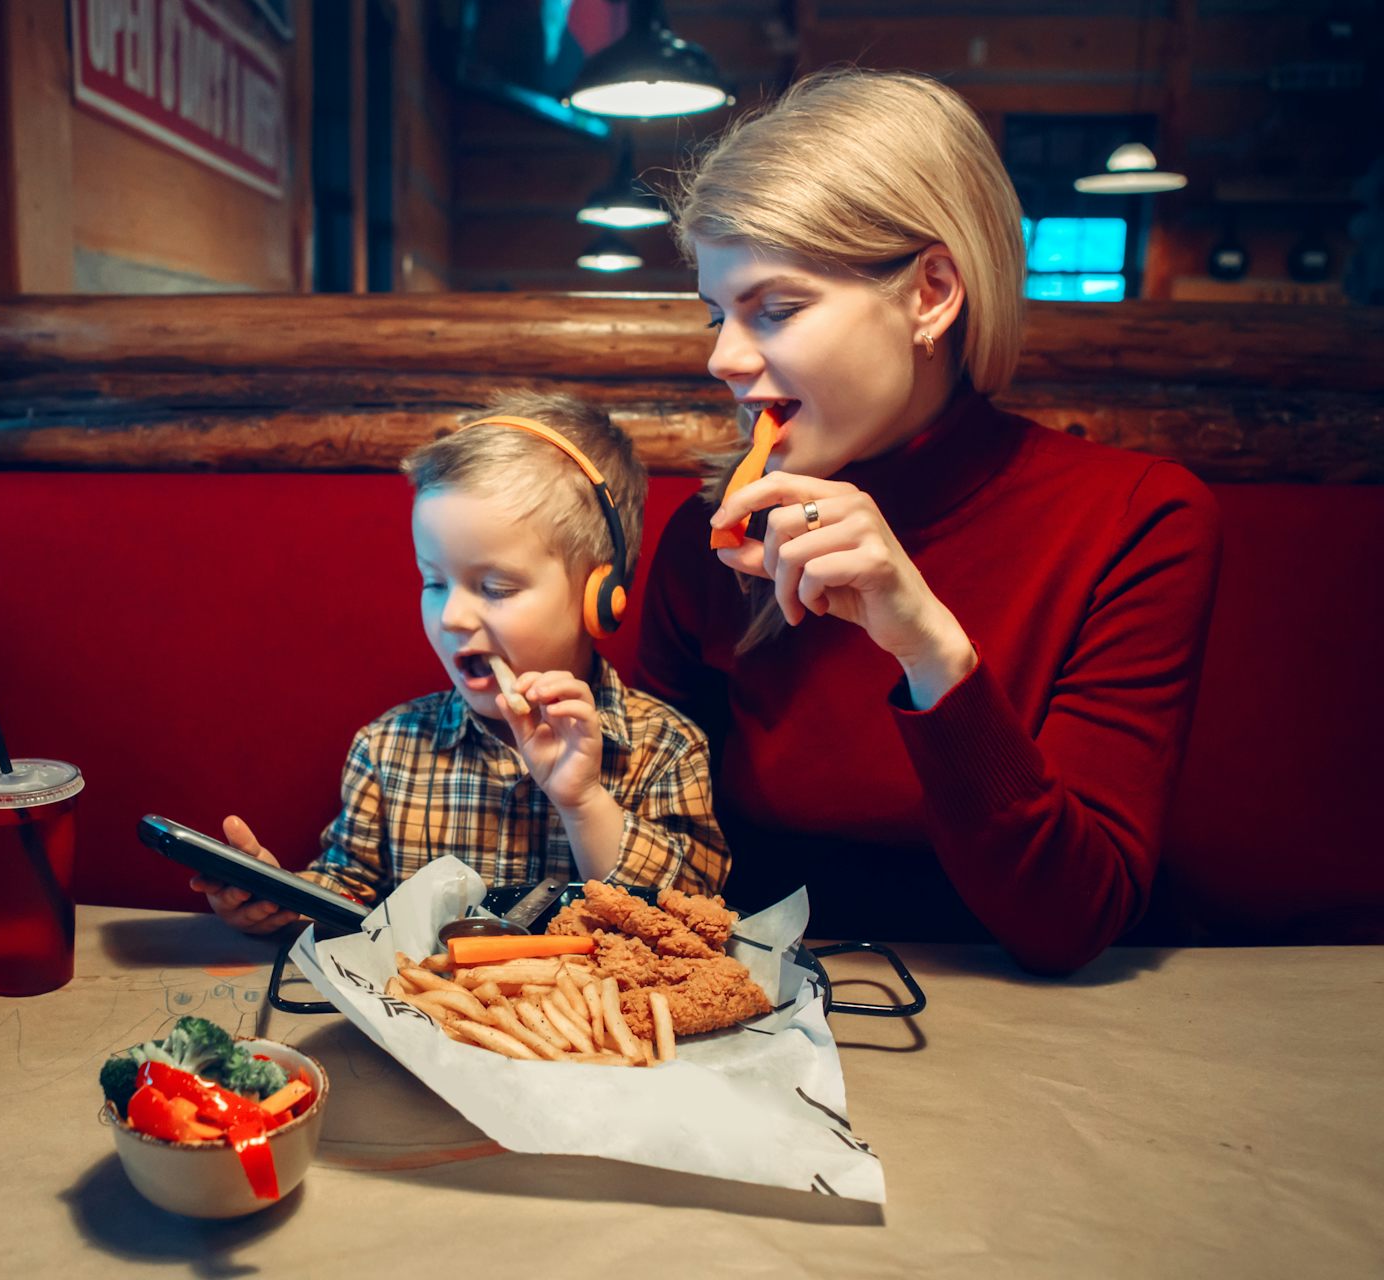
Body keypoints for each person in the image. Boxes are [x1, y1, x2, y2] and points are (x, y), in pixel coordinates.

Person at [637, 69, 1220, 974]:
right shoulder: (711, 544)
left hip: (1048, 1050)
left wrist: (929, 652)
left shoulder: (1139, 522)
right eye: (717, 313)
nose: (722, 356)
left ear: (933, 294)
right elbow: (662, 874)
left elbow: (1071, 922)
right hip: (755, 1037)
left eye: (776, 309)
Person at [195, 392, 730, 934]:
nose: (451, 615)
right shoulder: (387, 750)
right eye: (434, 582)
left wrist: (584, 802)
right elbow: (349, 896)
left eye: (494, 587)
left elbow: (689, 926)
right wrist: (280, 899)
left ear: (601, 596)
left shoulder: (666, 749)